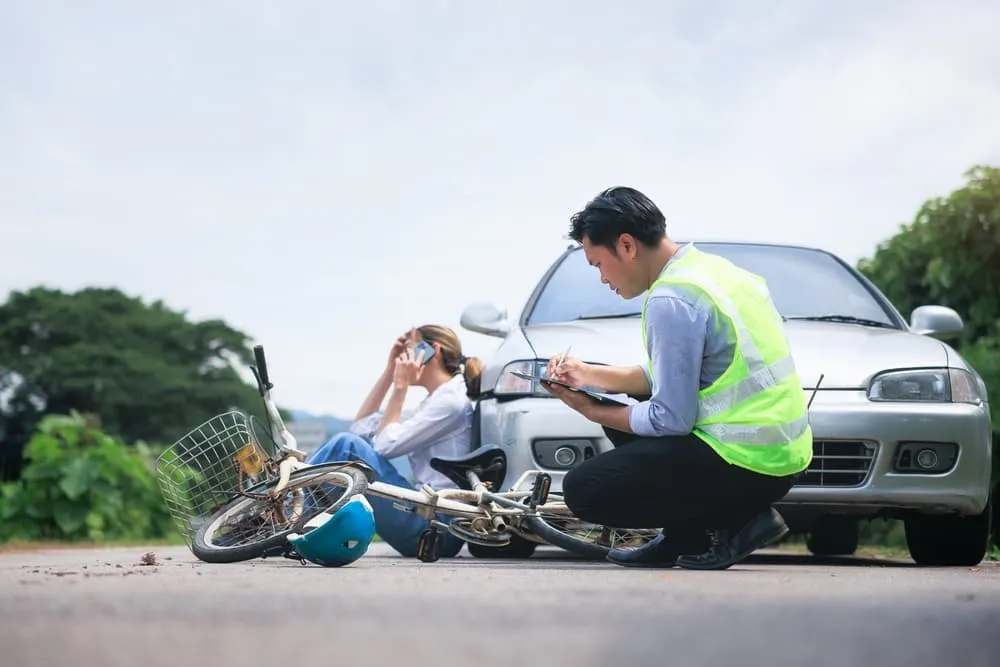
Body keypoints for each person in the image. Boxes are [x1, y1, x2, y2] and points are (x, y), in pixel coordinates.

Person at [543, 186, 813, 570]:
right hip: (783, 456)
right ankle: (685, 537)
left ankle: (739, 520)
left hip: (746, 462)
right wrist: (589, 375)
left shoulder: (671, 300)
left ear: (626, 246)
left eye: (598, 264)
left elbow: (670, 418)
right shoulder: (715, 272)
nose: (601, 278)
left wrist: (592, 409)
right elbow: (675, 374)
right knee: (628, 416)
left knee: (584, 491)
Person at [306, 324, 484, 559]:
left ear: (432, 350)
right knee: (347, 445)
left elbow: (383, 446)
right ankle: (290, 520)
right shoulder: (435, 401)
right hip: (428, 518)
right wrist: (390, 373)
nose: (403, 359)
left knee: (346, 446)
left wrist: (400, 386)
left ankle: (284, 515)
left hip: (437, 526)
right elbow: (361, 428)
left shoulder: (450, 401)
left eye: (409, 350)